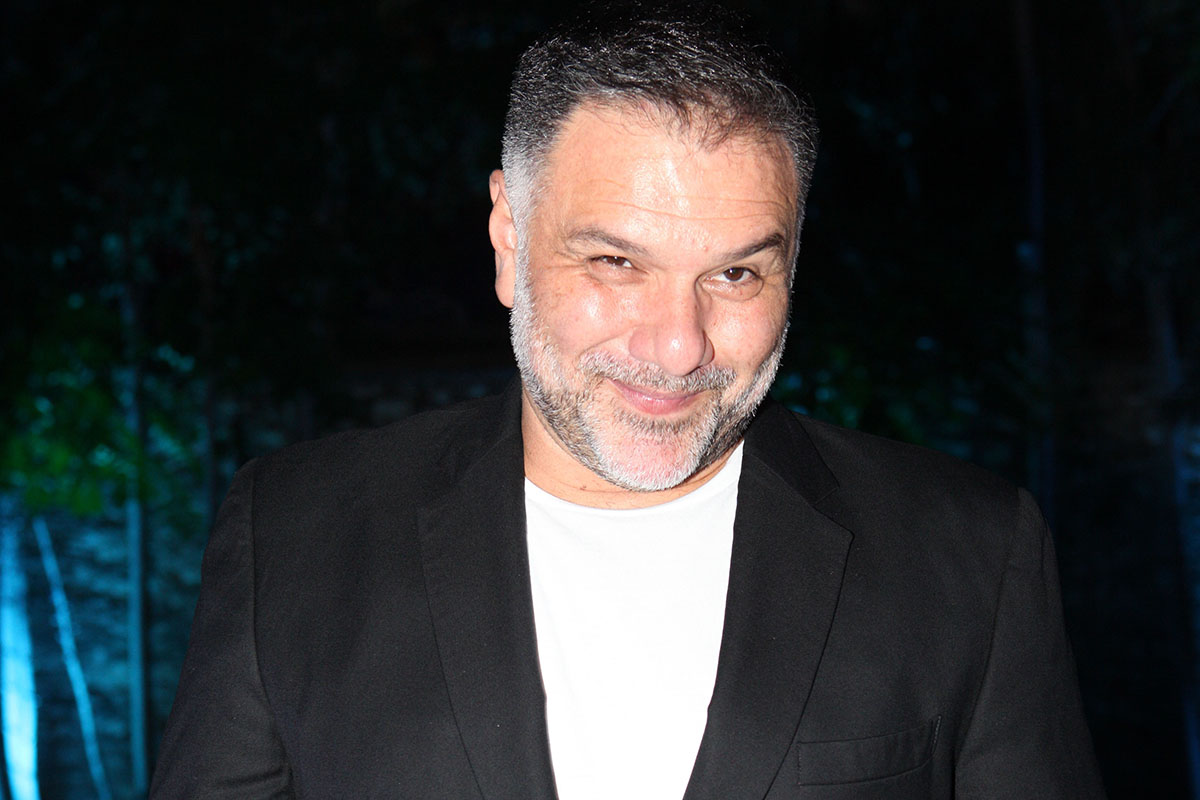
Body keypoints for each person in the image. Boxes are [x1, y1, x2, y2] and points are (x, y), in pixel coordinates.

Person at [150, 3, 1105, 798]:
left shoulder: (971, 556)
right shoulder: (296, 536)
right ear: (509, 239)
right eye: (616, 262)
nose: (677, 345)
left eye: (735, 274)